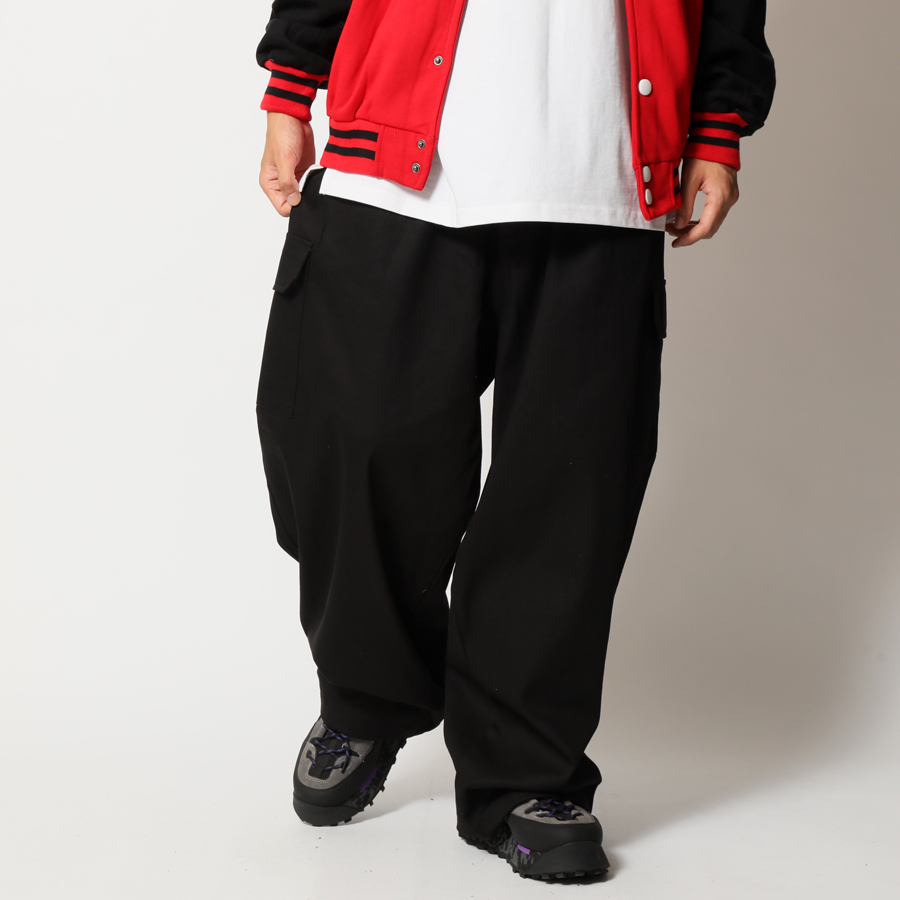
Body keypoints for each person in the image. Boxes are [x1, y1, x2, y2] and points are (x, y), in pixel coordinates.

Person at [254, 0, 775, 881]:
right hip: (389, 151)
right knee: (347, 442)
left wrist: (718, 123)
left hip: (601, 168)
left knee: (567, 495)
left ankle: (526, 771)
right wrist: (290, 86)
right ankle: (368, 695)